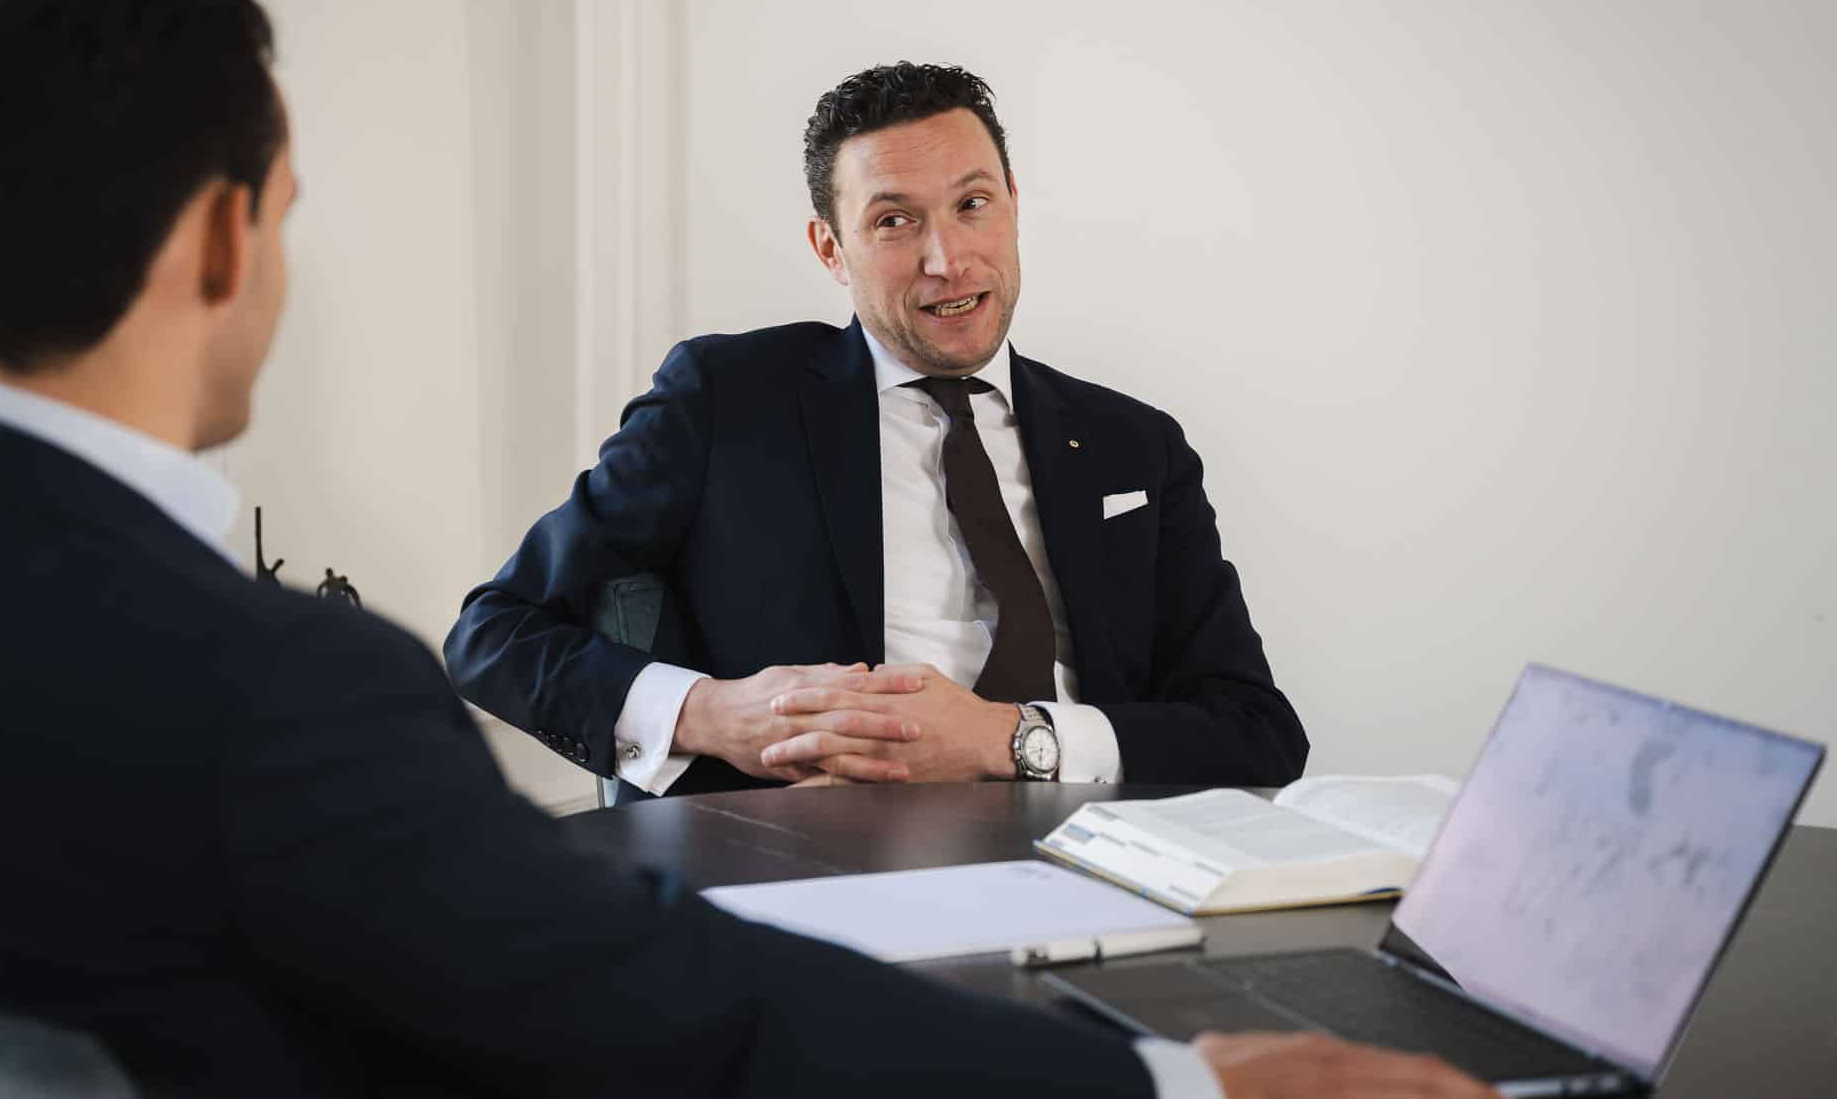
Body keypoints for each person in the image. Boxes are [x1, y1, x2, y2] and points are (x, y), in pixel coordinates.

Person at [0, 0, 1491, 1099]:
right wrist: (1176, 1084)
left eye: (973, 205)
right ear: (231, 241)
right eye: (289, 214)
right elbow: (663, 1013)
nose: (944, 253)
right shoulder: (289, 689)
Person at [448, 62, 1307, 802]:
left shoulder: (1134, 444)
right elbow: (494, 632)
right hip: (813, 868)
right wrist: (711, 713)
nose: (948, 259)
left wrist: (1010, 739)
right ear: (831, 248)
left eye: (973, 204)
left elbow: (1257, 730)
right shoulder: (726, 400)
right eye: (895, 221)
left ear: (1013, 207)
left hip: (1102, 862)